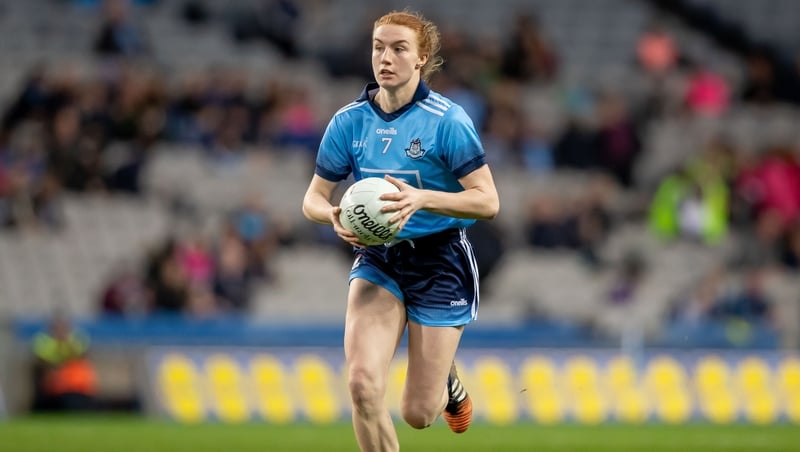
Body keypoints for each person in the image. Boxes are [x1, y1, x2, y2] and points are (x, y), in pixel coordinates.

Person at [301, 10, 499, 451]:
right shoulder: (348, 121)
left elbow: (488, 202)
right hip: (380, 258)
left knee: (417, 415)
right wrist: (331, 214)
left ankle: (446, 382)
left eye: (398, 48)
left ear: (421, 57)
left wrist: (422, 197)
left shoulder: (448, 121)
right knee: (362, 386)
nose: (385, 57)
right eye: (378, 47)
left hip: (440, 258)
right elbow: (311, 199)